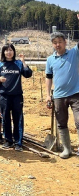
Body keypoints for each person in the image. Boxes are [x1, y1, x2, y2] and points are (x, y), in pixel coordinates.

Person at [45, 29, 79, 159]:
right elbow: (48, 77)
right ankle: (67, 149)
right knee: (61, 123)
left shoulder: (74, 53)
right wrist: (48, 95)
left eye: (60, 42)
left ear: (65, 42)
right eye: (55, 42)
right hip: (58, 96)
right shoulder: (50, 60)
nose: (57, 44)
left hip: (76, 93)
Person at [0, 44, 32, 151]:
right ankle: (8, 140)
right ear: (3, 52)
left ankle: (18, 142)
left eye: (10, 50)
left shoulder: (18, 63)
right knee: (5, 118)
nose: (8, 52)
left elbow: (28, 74)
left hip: (17, 96)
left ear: (14, 52)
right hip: (3, 96)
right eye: (6, 50)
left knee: (18, 119)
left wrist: (23, 61)